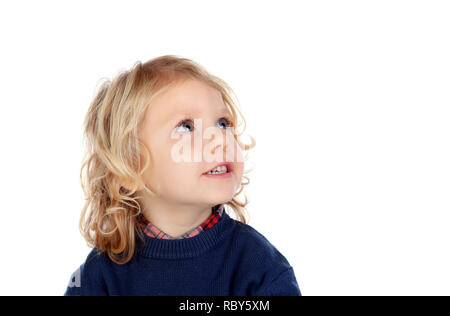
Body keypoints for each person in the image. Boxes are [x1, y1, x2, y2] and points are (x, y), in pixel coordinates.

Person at [64, 55, 301, 296]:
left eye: (222, 123)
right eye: (186, 126)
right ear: (130, 167)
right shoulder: (99, 277)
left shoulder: (259, 267)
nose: (220, 139)